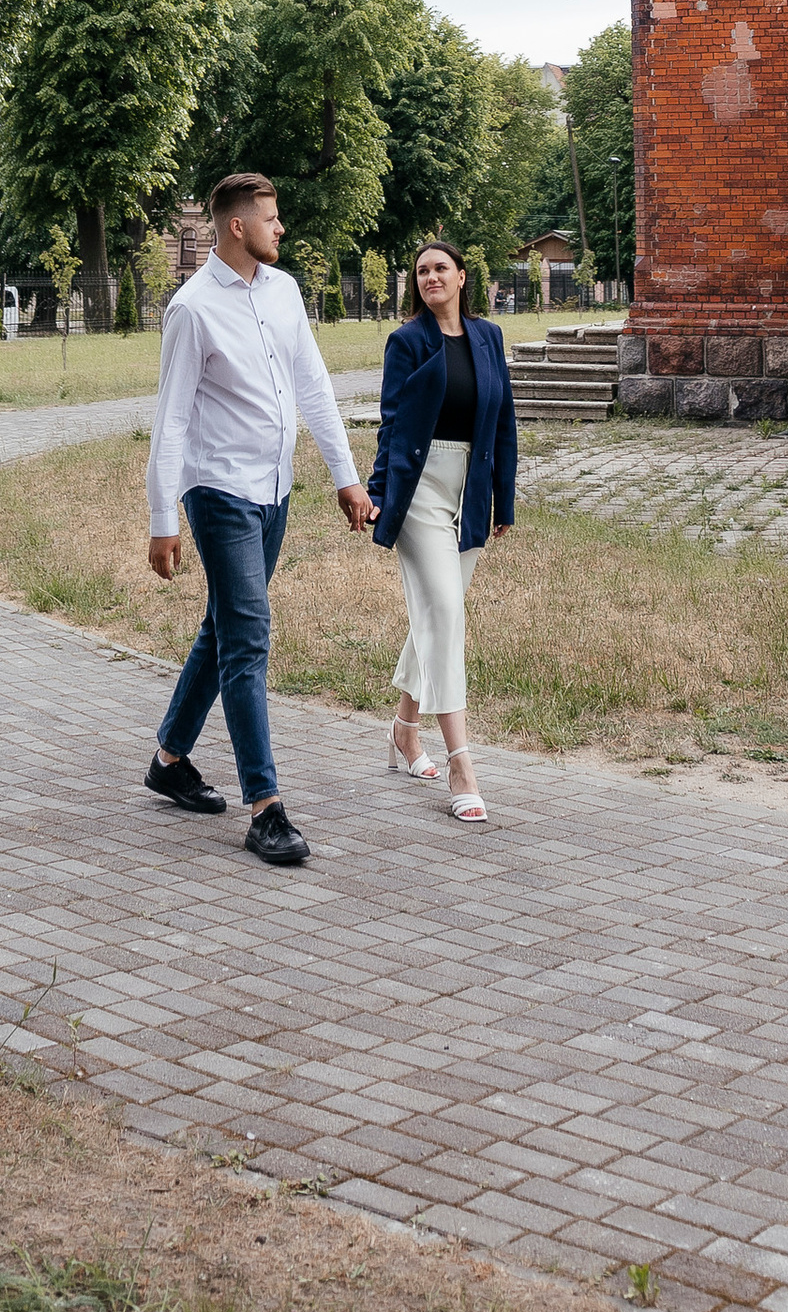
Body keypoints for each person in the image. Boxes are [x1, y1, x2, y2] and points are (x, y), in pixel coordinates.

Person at [142, 171, 375, 868]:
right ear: (237, 226)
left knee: (225, 628)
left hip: (275, 491)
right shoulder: (191, 309)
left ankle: (168, 759)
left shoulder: (284, 291)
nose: (282, 229)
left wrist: (345, 477)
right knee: (249, 636)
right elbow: (171, 420)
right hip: (219, 493)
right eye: (271, 219)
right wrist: (163, 517)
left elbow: (312, 383)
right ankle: (265, 808)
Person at [366, 239, 517, 826]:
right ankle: (461, 762)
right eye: (422, 271)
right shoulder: (407, 343)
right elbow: (392, 424)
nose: (431, 277)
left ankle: (405, 731)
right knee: (447, 612)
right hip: (420, 491)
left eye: (440, 269)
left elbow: (503, 422)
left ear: (460, 278)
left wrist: (503, 498)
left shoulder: (489, 338)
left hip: (471, 493)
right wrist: (379, 497)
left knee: (436, 613)